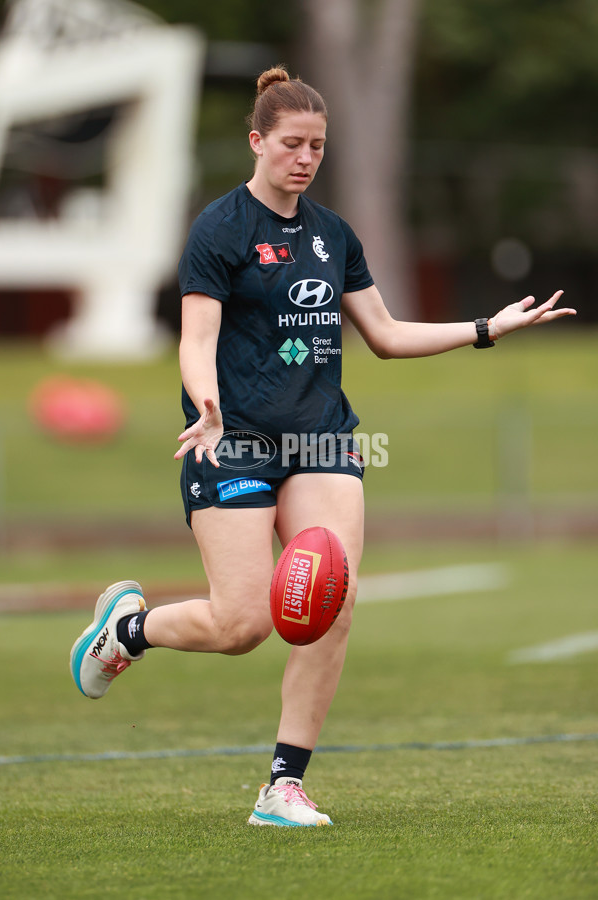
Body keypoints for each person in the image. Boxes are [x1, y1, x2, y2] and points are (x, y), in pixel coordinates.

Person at [70, 65, 576, 828]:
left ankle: (283, 787)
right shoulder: (219, 229)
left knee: (331, 599)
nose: (306, 158)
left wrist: (485, 329)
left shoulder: (332, 235)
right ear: (257, 142)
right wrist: (207, 408)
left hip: (322, 439)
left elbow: (387, 335)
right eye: (292, 144)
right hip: (233, 441)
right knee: (242, 627)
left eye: (318, 146)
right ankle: (128, 630)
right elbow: (196, 338)